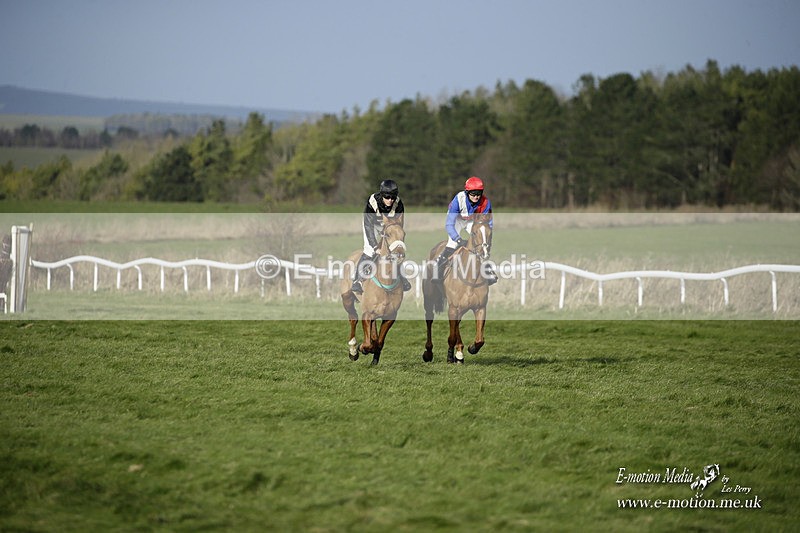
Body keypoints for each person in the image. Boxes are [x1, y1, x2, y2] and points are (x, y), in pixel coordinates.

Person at [431, 176, 498, 285]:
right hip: (456, 220)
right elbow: (449, 224)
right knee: (452, 244)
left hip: (471, 221)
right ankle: (437, 270)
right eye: (473, 193)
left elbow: (488, 224)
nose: (476, 196)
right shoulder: (458, 199)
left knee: (481, 244)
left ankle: (487, 270)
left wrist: (486, 238)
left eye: (479, 193)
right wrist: (457, 239)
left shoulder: (485, 202)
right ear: (467, 192)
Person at [351, 179, 412, 294]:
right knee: (369, 250)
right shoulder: (373, 201)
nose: (390, 200)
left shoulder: (399, 204)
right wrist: (375, 246)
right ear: (382, 195)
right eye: (387, 197)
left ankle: (402, 278)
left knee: (395, 251)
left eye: (392, 198)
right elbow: (368, 226)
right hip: (372, 225)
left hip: (389, 226)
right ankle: (357, 280)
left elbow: (399, 225)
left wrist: (396, 240)